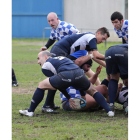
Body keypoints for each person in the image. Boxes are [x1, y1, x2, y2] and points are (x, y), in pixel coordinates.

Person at [19, 51, 114, 117]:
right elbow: (76, 79)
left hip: (66, 74)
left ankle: (30, 111)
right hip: (78, 72)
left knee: (41, 85)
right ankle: (109, 111)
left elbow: (59, 84)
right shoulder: (63, 58)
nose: (38, 61)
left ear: (46, 57)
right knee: (93, 91)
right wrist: (82, 94)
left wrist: (68, 98)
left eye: (38, 58)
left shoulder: (46, 66)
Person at [40, 12, 101, 113]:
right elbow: (52, 39)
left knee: (72, 74)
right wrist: (46, 47)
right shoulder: (54, 29)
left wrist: (83, 55)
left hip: (76, 53)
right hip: (66, 54)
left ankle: (95, 89)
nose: (51, 23)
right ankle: (51, 103)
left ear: (57, 19)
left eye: (52, 20)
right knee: (81, 73)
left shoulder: (67, 27)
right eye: (49, 21)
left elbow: (79, 37)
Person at [105, 44, 128, 114]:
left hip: (109, 51)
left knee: (113, 78)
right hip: (122, 52)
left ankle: (111, 105)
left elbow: (109, 77)